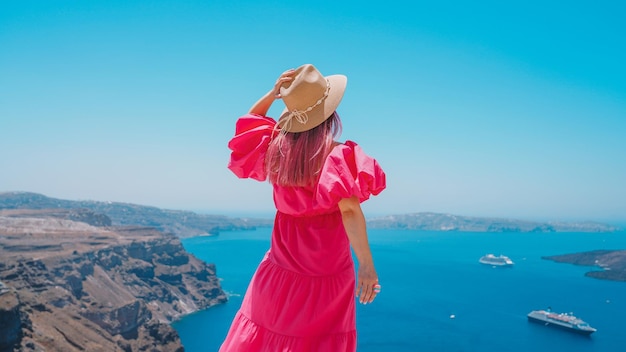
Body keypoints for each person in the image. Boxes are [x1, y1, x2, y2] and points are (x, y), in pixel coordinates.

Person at [220, 64, 386, 351]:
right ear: (330, 114)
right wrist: (368, 266)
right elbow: (349, 211)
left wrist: (272, 95)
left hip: (278, 272)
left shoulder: (276, 150)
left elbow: (249, 124)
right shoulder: (338, 156)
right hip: (326, 275)